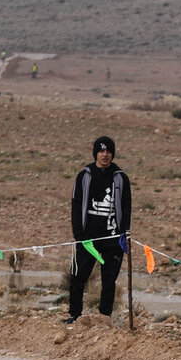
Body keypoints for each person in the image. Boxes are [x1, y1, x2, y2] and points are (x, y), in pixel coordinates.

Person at [67, 136, 131, 323]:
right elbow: (76, 206)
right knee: (78, 276)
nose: (105, 155)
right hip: (88, 238)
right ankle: (74, 314)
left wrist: (125, 233)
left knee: (109, 281)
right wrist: (79, 235)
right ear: (95, 153)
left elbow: (127, 208)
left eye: (108, 151)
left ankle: (105, 317)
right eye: (101, 151)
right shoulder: (84, 177)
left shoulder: (120, 178)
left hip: (112, 238)